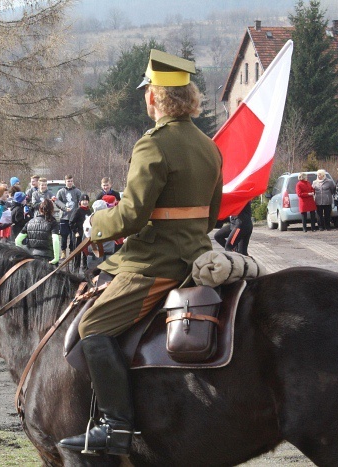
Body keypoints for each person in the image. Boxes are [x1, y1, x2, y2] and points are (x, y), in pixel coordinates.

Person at [59, 49, 222, 456]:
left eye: (147, 91)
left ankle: (116, 427)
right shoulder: (208, 145)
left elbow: (131, 216)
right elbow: (213, 213)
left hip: (156, 263)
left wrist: (95, 224)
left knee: (91, 328)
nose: (145, 97)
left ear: (155, 97)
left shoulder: (154, 144)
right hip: (195, 252)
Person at [15, 199, 60, 265]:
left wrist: (25, 252)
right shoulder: (53, 222)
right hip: (48, 258)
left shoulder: (30, 222)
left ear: (40, 209)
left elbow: (17, 241)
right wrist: (56, 258)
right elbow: (55, 240)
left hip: (32, 257)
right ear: (52, 210)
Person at [56, 175, 82, 257]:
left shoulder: (77, 191)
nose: (70, 183)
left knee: (72, 236)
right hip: (64, 217)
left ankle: (71, 250)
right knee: (64, 236)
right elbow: (57, 202)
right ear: (65, 182)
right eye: (68, 181)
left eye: (71, 181)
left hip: (73, 218)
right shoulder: (61, 191)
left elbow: (80, 202)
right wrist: (64, 207)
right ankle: (63, 251)